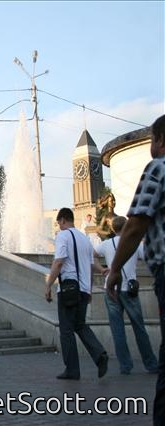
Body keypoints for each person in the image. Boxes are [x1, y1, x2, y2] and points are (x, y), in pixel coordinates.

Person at [106, 114, 164, 426]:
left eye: (153, 140)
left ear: (161, 141)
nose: (152, 147)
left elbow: (136, 223)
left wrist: (114, 270)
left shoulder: (158, 167)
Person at [45, 207, 108, 380]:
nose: (59, 226)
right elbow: (90, 264)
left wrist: (48, 285)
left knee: (66, 329)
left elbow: (59, 262)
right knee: (79, 325)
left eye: (59, 223)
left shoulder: (63, 236)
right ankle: (99, 354)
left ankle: (72, 369)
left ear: (63, 220)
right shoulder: (84, 239)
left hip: (68, 290)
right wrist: (93, 283)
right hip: (83, 289)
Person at [94, 216, 158, 375]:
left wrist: (102, 269)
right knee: (139, 328)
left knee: (117, 330)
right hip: (129, 289)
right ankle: (150, 364)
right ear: (126, 226)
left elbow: (92, 255)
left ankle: (125, 366)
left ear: (113, 229)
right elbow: (149, 258)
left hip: (111, 289)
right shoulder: (134, 244)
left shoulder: (106, 244)